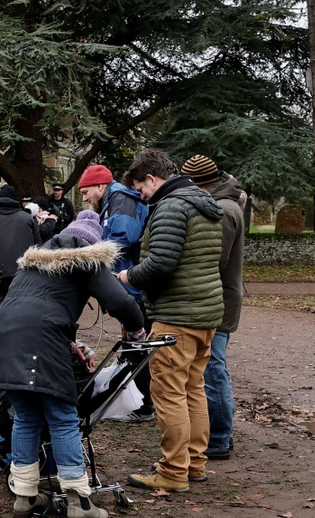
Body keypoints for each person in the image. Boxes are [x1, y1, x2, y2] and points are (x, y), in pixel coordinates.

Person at [0, 213, 145, 518]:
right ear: (92, 244)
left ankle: (25, 496)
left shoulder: (33, 263)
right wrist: (137, 330)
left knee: (27, 416)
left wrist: (72, 345)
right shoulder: (85, 260)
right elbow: (120, 301)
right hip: (40, 339)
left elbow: (38, 307)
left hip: (4, 337)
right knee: (62, 418)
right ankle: (78, 499)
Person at [116, 149, 224, 492]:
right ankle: (194, 463)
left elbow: (161, 262)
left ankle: (173, 471)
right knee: (193, 389)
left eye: (141, 189)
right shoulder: (203, 204)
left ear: (152, 178)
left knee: (168, 392)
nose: (142, 196)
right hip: (206, 314)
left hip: (177, 316)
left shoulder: (171, 206)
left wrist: (128, 277)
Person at [181, 155, 245, 461]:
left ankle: (219, 437)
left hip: (218, 299)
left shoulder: (223, 210)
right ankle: (219, 434)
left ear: (198, 184)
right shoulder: (227, 204)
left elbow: (213, 261)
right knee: (212, 367)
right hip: (221, 296)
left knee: (213, 368)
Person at [78, 164, 154, 422]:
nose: (85, 198)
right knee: (133, 347)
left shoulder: (120, 201)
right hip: (128, 287)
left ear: (100, 186)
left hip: (132, 288)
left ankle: (142, 406)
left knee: (136, 348)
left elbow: (123, 237)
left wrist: (93, 255)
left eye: (86, 192)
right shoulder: (116, 201)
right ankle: (135, 402)